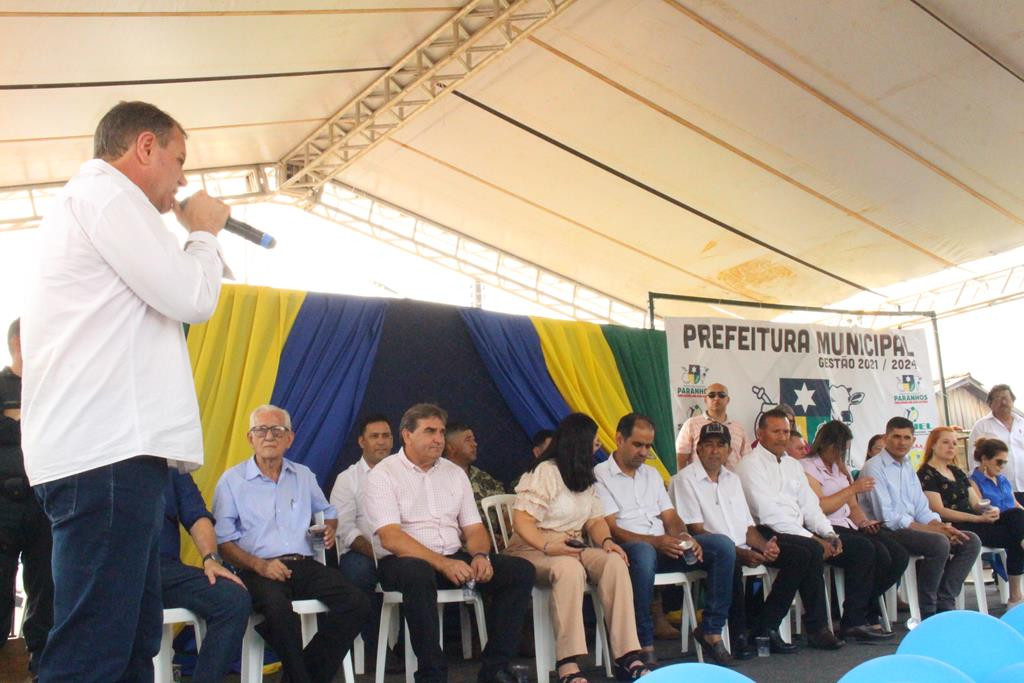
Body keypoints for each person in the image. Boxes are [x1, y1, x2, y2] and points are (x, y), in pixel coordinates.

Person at [21, 100, 231, 681]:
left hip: (112, 455)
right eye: (179, 159)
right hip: (105, 455)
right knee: (95, 650)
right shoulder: (111, 196)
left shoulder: (102, 205)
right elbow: (193, 295)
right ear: (144, 147)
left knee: (132, 641)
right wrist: (205, 233)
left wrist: (197, 243)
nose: (184, 179)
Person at [362, 403, 534, 683]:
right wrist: (443, 564)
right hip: (403, 563)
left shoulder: (454, 473)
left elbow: (475, 528)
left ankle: (494, 669)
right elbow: (391, 537)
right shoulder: (383, 474)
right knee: (416, 573)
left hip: (454, 557)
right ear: (407, 435)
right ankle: (432, 675)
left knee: (520, 571)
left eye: (441, 432)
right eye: (430, 431)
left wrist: (480, 556)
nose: (439, 439)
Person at [214, 404, 370, 683]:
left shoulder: (303, 475)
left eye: (278, 430)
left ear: (290, 438)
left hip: (303, 564)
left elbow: (329, 512)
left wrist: (329, 529)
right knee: (277, 610)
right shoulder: (232, 481)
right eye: (261, 430)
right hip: (256, 568)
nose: (269, 436)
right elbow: (224, 541)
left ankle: (298, 676)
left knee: (357, 602)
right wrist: (260, 566)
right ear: (250, 438)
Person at [505, 413, 651, 683]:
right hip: (533, 547)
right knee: (568, 568)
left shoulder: (585, 475)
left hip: (572, 544)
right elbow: (523, 522)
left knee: (615, 562)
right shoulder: (546, 472)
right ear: (577, 444)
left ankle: (627, 656)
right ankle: (567, 663)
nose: (597, 450)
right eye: (594, 444)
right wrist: (549, 546)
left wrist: (607, 542)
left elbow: (595, 520)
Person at [597, 414, 736, 667]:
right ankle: (642, 642)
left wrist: (683, 536)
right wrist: (657, 541)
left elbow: (671, 517)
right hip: (627, 551)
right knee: (642, 552)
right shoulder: (600, 475)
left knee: (722, 546)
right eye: (638, 445)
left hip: (664, 547)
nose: (644, 452)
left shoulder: (651, 474)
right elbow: (612, 529)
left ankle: (711, 629)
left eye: (648, 446)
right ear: (619, 439)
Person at [734, 409, 847, 650]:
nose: (782, 437)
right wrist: (813, 539)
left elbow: (810, 505)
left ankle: (771, 627)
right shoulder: (749, 465)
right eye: (776, 431)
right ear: (760, 433)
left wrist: (828, 533)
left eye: (786, 431)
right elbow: (767, 514)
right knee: (807, 551)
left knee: (809, 551)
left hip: (795, 530)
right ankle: (807, 627)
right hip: (762, 532)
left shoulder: (793, 465)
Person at [670, 421, 782, 659]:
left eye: (721, 445)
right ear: (697, 449)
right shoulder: (684, 479)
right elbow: (694, 529)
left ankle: (762, 629)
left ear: (729, 451)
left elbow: (747, 527)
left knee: (790, 554)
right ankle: (733, 633)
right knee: (727, 555)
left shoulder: (732, 479)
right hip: (699, 549)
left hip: (735, 548)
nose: (714, 451)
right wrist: (740, 552)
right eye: (708, 445)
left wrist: (764, 546)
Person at [861, 417, 981, 620]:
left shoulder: (907, 466)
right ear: (886, 437)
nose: (901, 442)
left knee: (970, 541)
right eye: (896, 437)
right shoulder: (874, 467)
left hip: (910, 527)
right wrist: (936, 531)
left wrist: (940, 526)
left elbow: (921, 508)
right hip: (886, 531)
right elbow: (888, 518)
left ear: (913, 440)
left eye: (906, 437)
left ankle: (945, 599)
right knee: (939, 543)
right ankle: (929, 611)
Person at [802, 421, 905, 638]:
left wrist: (865, 523)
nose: (841, 454)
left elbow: (854, 506)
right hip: (825, 526)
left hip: (849, 524)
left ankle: (863, 606)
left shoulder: (841, 468)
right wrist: (853, 487)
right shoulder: (808, 467)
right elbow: (820, 506)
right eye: (838, 448)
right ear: (826, 444)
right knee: (866, 551)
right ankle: (854, 619)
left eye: (844, 449)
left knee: (896, 555)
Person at [161, 471, 251, 682]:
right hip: (108, 571)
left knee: (233, 599)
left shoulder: (171, 466)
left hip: (162, 570)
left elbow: (197, 516)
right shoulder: (97, 458)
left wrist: (210, 558)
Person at [919, 428, 1024, 608]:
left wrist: (990, 511)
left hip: (975, 520)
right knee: (1016, 533)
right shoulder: (926, 474)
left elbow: (976, 504)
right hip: (954, 525)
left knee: (1017, 516)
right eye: (946, 442)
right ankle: (1015, 597)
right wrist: (978, 518)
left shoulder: (956, 471)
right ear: (933, 444)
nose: (951, 446)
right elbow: (939, 510)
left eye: (954, 443)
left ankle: (1015, 596)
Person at [0, 319, 52, 676]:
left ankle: (42, 661)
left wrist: (15, 422)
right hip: (4, 505)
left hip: (45, 503)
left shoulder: (49, 389)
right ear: (18, 342)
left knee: (46, 586)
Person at [329, 414, 393, 653]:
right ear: (361, 442)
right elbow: (344, 528)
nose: (381, 442)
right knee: (359, 573)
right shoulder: (348, 479)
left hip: (399, 550)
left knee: (417, 574)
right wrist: (375, 553)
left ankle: (410, 647)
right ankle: (376, 648)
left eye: (386, 436)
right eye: (374, 436)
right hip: (361, 552)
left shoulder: (403, 473)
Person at [675, 383, 751, 470]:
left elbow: (748, 460)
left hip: (731, 481)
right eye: (711, 395)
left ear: (728, 400)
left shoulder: (739, 428)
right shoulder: (691, 424)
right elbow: (680, 457)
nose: (716, 398)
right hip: (698, 481)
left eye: (721, 395)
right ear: (705, 399)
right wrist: (683, 480)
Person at [969, 384, 1024, 505]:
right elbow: (974, 459)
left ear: (1013, 401)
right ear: (990, 404)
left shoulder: (1022, 423)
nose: (1003, 402)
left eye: (1006, 398)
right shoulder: (981, 426)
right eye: (998, 399)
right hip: (998, 490)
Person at [443, 422, 507, 519]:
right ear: (450, 448)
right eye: (468, 440)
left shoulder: (483, 478)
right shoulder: (439, 478)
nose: (475, 444)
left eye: (474, 440)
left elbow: (506, 510)